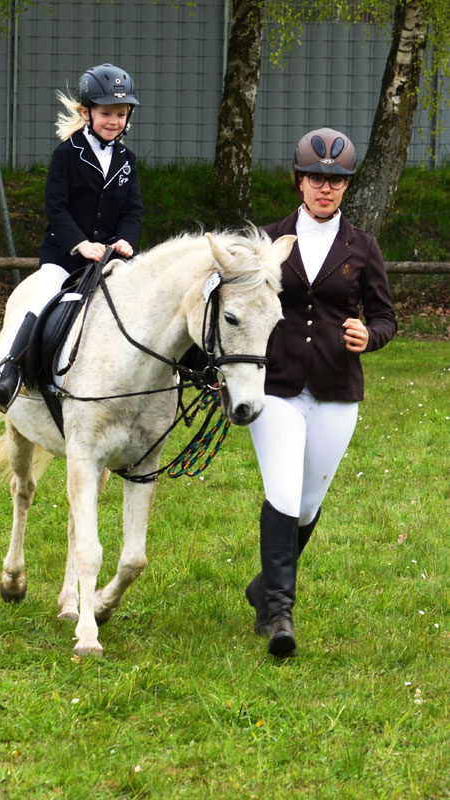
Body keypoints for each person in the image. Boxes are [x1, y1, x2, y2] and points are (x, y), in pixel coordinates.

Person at [246, 127, 397, 658]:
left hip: (337, 387)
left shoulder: (363, 246)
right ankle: (278, 614)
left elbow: (385, 318)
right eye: (316, 178)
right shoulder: (267, 240)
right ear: (300, 181)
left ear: (346, 186)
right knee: (284, 494)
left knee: (308, 505)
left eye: (335, 180)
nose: (325, 188)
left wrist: (369, 336)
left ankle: (264, 587)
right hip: (277, 385)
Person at [0, 63, 143, 413]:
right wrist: (81, 244)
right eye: (106, 113)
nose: (114, 121)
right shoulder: (66, 154)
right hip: (64, 255)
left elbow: (133, 210)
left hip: (110, 256)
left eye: (120, 114)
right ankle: (9, 375)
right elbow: (56, 207)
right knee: (42, 298)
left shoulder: (127, 160)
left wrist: (126, 239)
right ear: (86, 113)